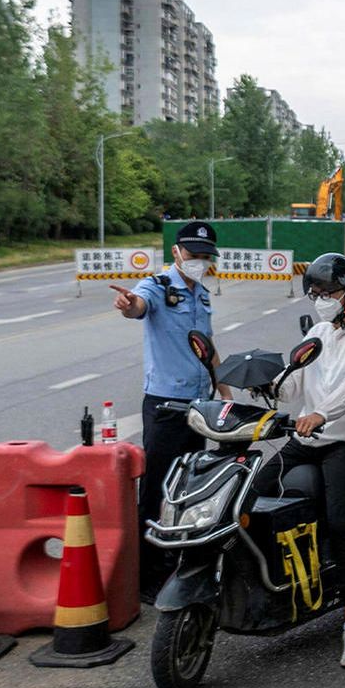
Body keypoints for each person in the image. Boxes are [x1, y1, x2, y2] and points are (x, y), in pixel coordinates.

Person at [258, 253, 345, 669]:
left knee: (340, 523)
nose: (321, 300)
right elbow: (293, 382)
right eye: (315, 294)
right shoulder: (317, 331)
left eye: (328, 293)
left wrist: (322, 413)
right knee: (251, 495)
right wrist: (268, 386)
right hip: (306, 438)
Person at [111, 220, 229, 601]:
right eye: (194, 255)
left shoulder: (202, 296)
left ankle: (178, 558)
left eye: (206, 257)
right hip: (166, 406)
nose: (200, 262)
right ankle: (147, 574)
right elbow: (138, 307)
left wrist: (224, 392)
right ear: (177, 252)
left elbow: (207, 347)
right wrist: (130, 306)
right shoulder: (158, 287)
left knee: (190, 487)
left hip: (200, 405)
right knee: (156, 490)